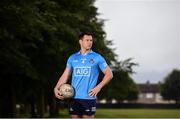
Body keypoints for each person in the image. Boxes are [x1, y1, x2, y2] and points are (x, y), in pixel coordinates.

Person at [54, 32, 113, 118]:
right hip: (73, 97)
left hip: (88, 98)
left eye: (91, 40)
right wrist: (56, 88)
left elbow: (109, 74)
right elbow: (65, 76)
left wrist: (98, 87)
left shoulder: (97, 57)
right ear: (80, 41)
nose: (90, 42)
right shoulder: (72, 58)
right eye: (87, 40)